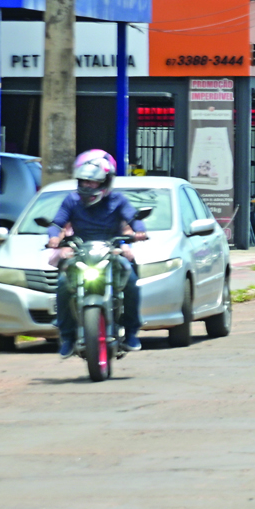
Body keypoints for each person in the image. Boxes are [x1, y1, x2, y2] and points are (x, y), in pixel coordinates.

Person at [46, 149, 147, 358]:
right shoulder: (71, 201)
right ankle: (67, 337)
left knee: (130, 280)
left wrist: (139, 231)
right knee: (64, 285)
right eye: (84, 182)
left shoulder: (118, 200)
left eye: (92, 183)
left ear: (105, 183)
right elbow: (56, 223)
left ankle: (131, 333)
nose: (87, 186)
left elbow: (133, 217)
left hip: (111, 251)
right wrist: (54, 237)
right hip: (81, 253)